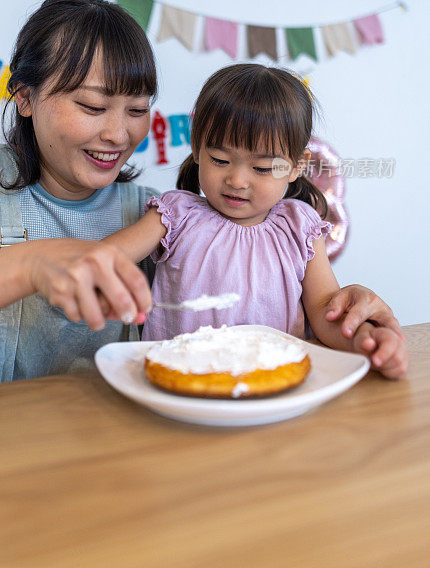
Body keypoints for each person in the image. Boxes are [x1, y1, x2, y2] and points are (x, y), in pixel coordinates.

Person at [0, 0, 405, 394]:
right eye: (94, 107)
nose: (119, 134)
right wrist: (28, 265)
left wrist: (352, 318)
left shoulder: (147, 212)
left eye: (138, 110)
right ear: (25, 98)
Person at [103, 64, 408, 379]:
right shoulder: (174, 215)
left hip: (275, 385)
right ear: (197, 149)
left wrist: (365, 339)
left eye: (262, 167)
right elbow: (102, 259)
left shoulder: (299, 226)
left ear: (295, 166)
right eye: (220, 160)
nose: (236, 180)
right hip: (180, 383)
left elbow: (324, 311)